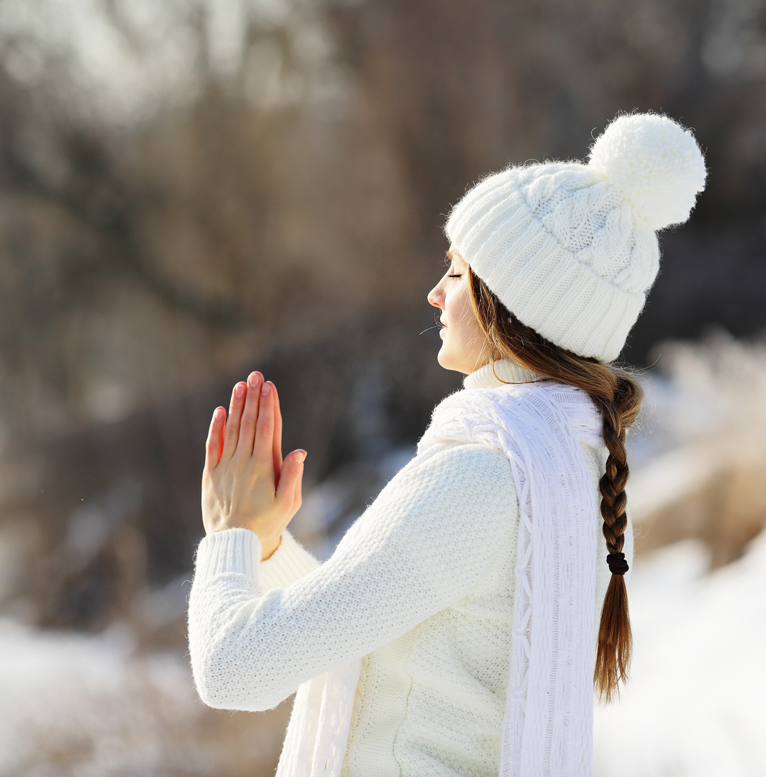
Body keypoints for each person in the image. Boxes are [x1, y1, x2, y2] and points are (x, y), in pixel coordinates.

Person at [188, 112, 707, 777]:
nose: (435, 294)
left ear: (514, 305)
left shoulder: (482, 476)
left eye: (458, 274)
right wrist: (264, 548)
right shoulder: (574, 469)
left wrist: (228, 535)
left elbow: (236, 670)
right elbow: (386, 626)